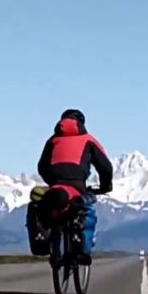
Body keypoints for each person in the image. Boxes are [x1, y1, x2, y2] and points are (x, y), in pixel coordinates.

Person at [35, 109, 113, 264]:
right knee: (86, 208)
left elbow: (42, 167)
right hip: (77, 185)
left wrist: (53, 182)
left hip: (56, 186)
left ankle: (46, 240)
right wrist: (105, 186)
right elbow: (105, 167)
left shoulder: (52, 140)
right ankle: (81, 247)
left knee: (46, 207)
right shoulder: (89, 140)